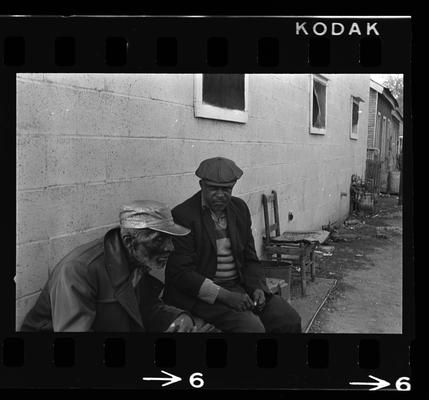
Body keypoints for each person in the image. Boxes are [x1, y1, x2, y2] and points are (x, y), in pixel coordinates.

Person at [20, 200, 216, 332]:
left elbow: (143, 308)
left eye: (170, 239)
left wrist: (177, 319)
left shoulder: (135, 258)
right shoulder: (79, 271)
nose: (170, 248)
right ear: (130, 241)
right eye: (159, 239)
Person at [163, 157, 302, 333]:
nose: (221, 195)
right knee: (251, 328)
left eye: (226, 189)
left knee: (288, 319)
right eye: (214, 188)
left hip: (237, 286)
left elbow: (250, 258)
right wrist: (226, 296)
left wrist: (258, 287)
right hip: (199, 294)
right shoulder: (183, 215)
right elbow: (181, 274)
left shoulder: (239, 208)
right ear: (201, 185)